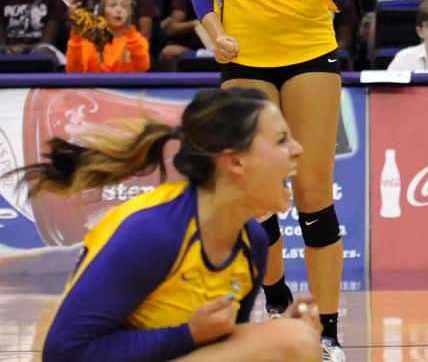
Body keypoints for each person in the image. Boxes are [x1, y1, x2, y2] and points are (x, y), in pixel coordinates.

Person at [191, 0, 350, 362]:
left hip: (310, 53)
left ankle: (328, 333)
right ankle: (279, 297)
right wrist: (216, 35)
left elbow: (343, 0)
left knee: (312, 196)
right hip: (245, 60)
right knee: (257, 199)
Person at [8, 87, 323, 362]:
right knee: (292, 343)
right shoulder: (154, 232)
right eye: (282, 140)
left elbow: (219, 347)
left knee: (292, 340)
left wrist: (277, 329)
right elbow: (63, 353)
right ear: (235, 162)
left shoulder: (251, 240)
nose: (297, 150)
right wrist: (188, 334)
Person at [65, 0, 151, 72]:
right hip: (93, 85)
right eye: (112, 5)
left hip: (125, 85)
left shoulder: (137, 40)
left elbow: (142, 67)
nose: (119, 10)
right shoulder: (88, 41)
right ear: (103, 11)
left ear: (130, 12)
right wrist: (76, 37)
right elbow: (74, 71)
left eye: (124, 6)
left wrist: (131, 33)